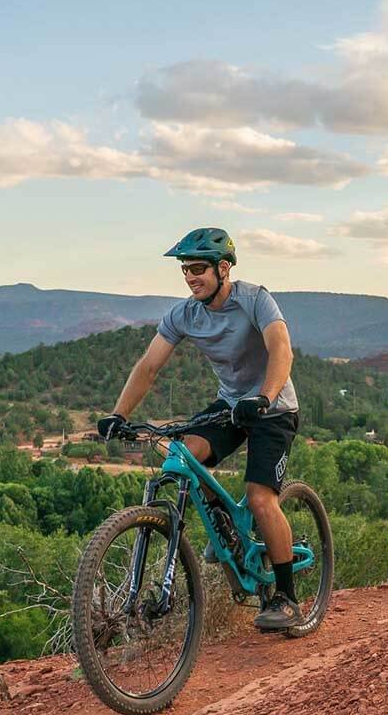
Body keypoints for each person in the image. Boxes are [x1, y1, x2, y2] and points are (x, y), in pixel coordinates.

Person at [97, 227, 304, 631]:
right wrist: (118, 414)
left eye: (197, 269)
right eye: (185, 270)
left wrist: (263, 397)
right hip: (229, 405)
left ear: (223, 268)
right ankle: (226, 528)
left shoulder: (254, 299)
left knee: (261, 499)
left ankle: (287, 598)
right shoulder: (184, 314)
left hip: (273, 407)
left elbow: (282, 349)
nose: (190, 276)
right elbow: (149, 366)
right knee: (183, 453)